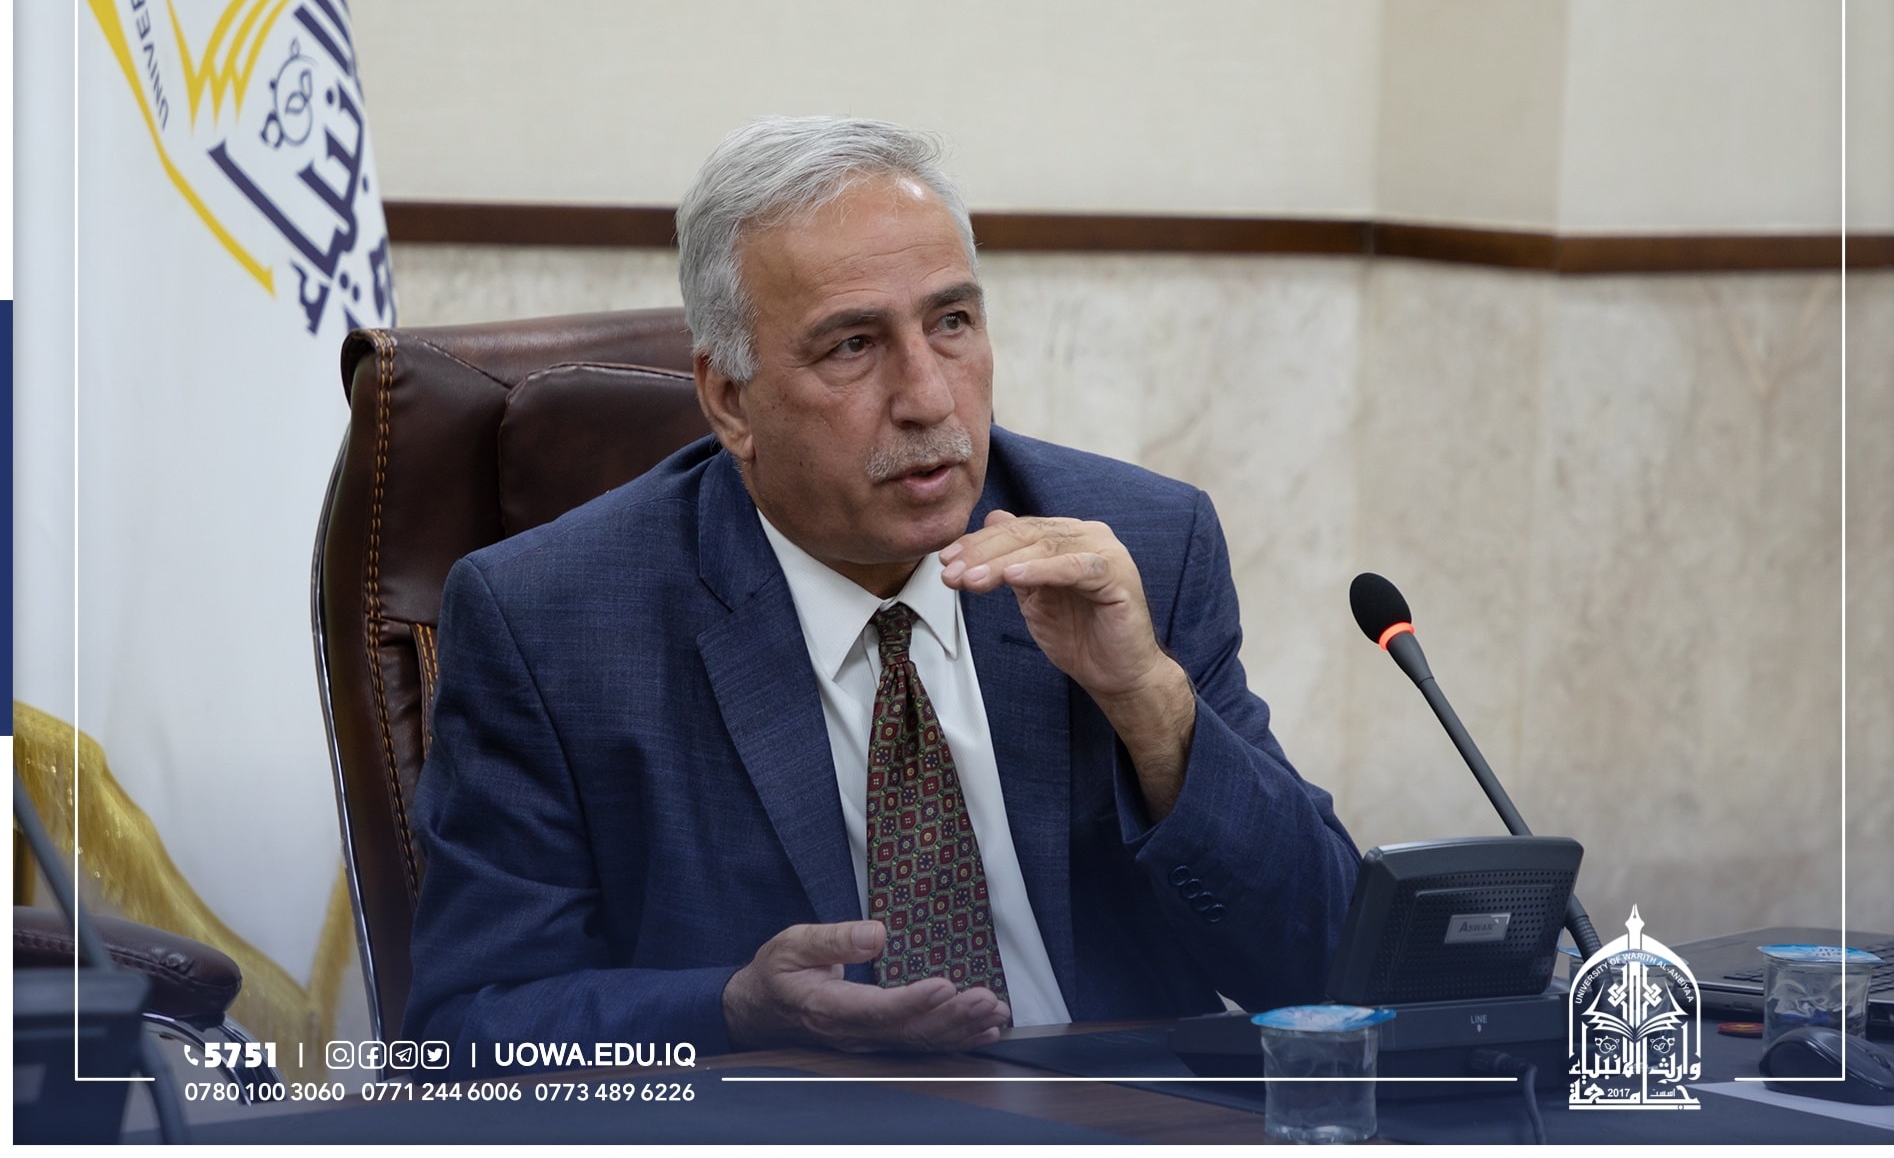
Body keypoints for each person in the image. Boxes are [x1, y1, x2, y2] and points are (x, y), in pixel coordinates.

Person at [404, 116, 1360, 1063]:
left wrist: (1151, 702)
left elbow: (1328, 965)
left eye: (952, 323)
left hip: (1115, 1112)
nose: (929, 398)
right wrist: (733, 1010)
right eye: (853, 345)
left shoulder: (1138, 546)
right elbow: (469, 1030)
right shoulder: (552, 620)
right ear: (730, 400)